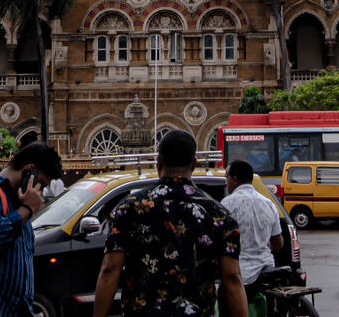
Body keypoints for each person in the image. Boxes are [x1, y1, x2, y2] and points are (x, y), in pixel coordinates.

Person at [94, 130, 244, 317]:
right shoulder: (218, 214)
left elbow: (110, 269)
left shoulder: (128, 208)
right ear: (194, 164)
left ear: (158, 162)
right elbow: (232, 278)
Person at [0, 142, 63, 317]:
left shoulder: (20, 202)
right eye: (41, 184)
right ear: (29, 171)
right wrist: (27, 209)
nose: (40, 192)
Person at [222, 161, 285, 315]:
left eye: (226, 178)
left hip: (240, 274)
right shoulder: (269, 204)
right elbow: (278, 243)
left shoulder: (226, 204)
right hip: (266, 271)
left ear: (234, 179)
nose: (226, 182)